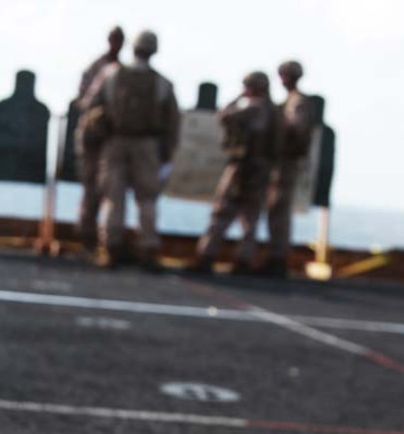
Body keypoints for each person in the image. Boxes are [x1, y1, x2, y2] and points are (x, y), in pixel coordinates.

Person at [84, 30, 180, 272]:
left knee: (113, 198)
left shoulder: (111, 74)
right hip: (147, 146)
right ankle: (148, 250)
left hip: (114, 142)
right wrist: (167, 153)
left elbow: (90, 105)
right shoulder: (162, 83)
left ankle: (111, 248)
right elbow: (172, 122)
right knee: (147, 199)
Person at [189, 71, 276, 275]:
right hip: (261, 169)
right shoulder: (274, 112)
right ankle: (244, 259)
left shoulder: (252, 108)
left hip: (242, 167)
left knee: (222, 212)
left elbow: (224, 116)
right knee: (251, 218)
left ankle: (207, 255)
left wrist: (238, 98)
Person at [75, 26, 124, 248]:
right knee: (90, 185)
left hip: (110, 139)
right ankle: (86, 233)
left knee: (107, 187)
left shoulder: (121, 70)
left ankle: (100, 235)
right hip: (93, 136)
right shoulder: (97, 67)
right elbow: (84, 100)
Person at [264, 60, 314, 278]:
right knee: (276, 209)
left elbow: (295, 130)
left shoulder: (297, 102)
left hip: (286, 161)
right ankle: (275, 256)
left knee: (279, 209)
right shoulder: (292, 101)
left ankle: (277, 258)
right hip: (282, 160)